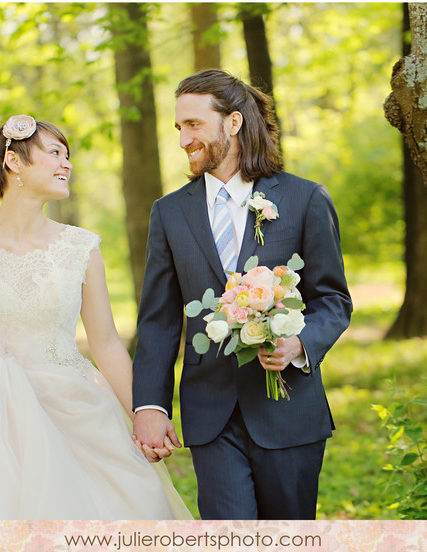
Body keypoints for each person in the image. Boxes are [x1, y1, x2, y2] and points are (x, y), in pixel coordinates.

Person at [0, 115, 190, 520]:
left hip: (72, 403)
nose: (67, 164)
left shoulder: (81, 247)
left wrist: (143, 412)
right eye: (55, 153)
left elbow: (106, 343)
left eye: (68, 156)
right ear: (13, 162)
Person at [131, 70, 352, 520]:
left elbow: (333, 299)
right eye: (179, 128)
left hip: (289, 409)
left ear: (233, 123)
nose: (182, 140)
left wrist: (301, 344)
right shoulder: (169, 213)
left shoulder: (304, 199)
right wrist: (150, 406)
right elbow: (158, 321)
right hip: (210, 414)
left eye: (193, 124)